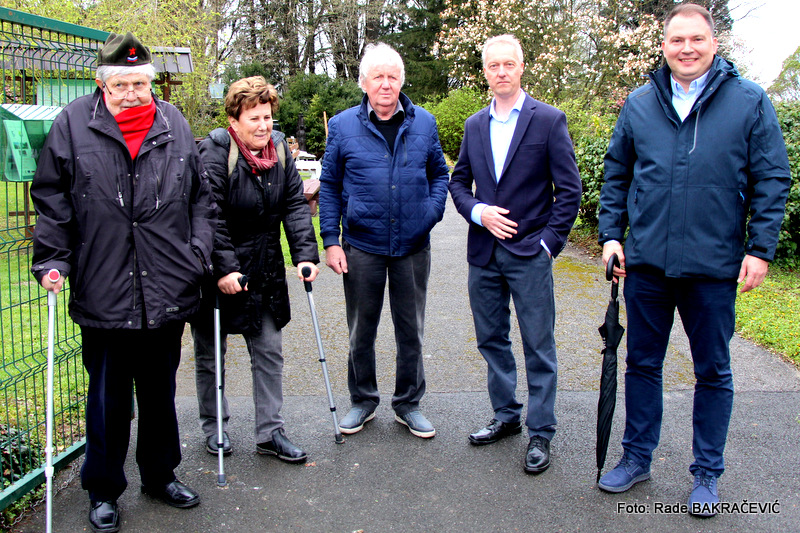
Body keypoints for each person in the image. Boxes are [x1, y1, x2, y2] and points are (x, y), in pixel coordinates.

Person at [596, 4, 791, 516]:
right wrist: (611, 236)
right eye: (677, 40)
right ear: (664, 46)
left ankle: (707, 473)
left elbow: (773, 178)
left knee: (713, 371)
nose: (687, 48)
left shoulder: (748, 101)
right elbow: (616, 174)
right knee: (642, 364)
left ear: (713, 43)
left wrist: (760, 249)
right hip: (647, 266)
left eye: (697, 39)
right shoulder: (640, 103)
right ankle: (637, 458)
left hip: (714, 266)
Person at [30, 32, 216, 533]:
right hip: (104, 284)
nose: (132, 93)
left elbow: (200, 198)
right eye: (121, 84)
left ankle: (160, 475)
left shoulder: (173, 122)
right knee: (108, 399)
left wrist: (197, 253)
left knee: (159, 393)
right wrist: (52, 259)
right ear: (102, 84)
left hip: (167, 284)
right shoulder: (73, 123)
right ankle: (103, 489)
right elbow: (52, 198)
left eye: (140, 83)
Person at [449, 34, 582, 474]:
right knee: (491, 339)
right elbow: (458, 183)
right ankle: (506, 415)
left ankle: (540, 430)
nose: (502, 72)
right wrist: (479, 212)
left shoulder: (549, 120)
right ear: (485, 71)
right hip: (484, 253)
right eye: (494, 65)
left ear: (522, 67)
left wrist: (548, 244)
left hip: (530, 253)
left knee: (538, 344)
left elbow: (570, 190)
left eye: (509, 64)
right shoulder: (474, 125)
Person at [319, 42, 450, 439]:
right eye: (378, 76)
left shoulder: (424, 123)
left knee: (411, 330)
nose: (386, 84)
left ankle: (408, 403)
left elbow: (440, 174)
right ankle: (362, 400)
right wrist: (331, 240)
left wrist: (430, 213)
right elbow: (330, 184)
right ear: (364, 82)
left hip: (412, 246)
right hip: (362, 245)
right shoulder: (342, 126)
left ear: (401, 81)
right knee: (361, 329)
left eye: (393, 76)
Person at [192, 76, 320, 463]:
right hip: (218, 271)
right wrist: (224, 270)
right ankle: (215, 429)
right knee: (211, 355)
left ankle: (270, 432)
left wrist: (304, 255)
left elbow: (294, 205)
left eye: (267, 117)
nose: (263, 126)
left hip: (264, 270)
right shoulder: (215, 153)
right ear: (234, 119)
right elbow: (209, 216)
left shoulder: (279, 150)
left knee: (269, 350)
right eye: (254, 118)